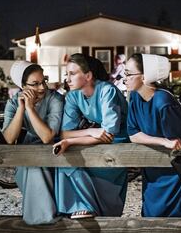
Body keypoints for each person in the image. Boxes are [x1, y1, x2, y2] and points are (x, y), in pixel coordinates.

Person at [53, 53, 128, 219]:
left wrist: (71, 141)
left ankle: (90, 207)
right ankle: (77, 207)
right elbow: (65, 132)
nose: (68, 79)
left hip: (118, 140)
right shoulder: (73, 95)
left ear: (88, 76)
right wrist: (89, 132)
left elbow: (109, 132)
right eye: (67, 74)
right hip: (96, 136)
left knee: (80, 157)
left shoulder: (107, 90)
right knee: (65, 158)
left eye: (72, 74)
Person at [124, 53, 181, 217]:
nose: (125, 78)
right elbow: (133, 134)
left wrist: (166, 142)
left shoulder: (164, 101)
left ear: (144, 76)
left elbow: (178, 141)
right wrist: (162, 141)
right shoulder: (135, 97)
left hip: (175, 172)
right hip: (152, 170)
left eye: (129, 74)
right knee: (151, 218)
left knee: (179, 220)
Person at [2, 61, 64, 225]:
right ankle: (41, 219)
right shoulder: (13, 102)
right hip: (27, 154)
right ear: (23, 86)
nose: (43, 87)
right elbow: (9, 138)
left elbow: (47, 137)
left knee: (36, 165)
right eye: (35, 84)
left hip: (54, 152)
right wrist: (22, 108)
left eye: (44, 80)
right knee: (30, 164)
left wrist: (30, 109)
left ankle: (41, 221)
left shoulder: (55, 98)